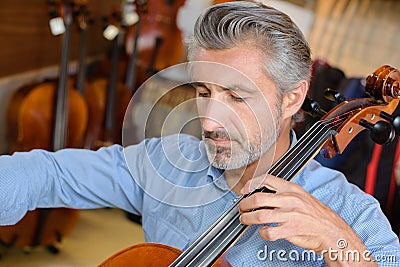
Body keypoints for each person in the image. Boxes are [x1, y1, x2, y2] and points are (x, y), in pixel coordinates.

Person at [1, 1, 399, 266]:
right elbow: (51, 173)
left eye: (237, 97)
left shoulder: (349, 213)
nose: (209, 122)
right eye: (204, 92)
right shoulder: (170, 162)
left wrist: (339, 244)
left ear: (292, 98)